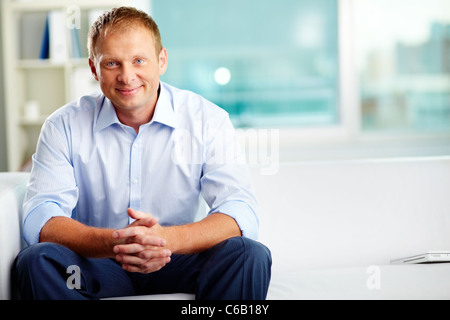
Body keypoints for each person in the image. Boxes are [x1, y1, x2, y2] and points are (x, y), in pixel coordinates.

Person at [13, 7, 271, 300]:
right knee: (38, 260)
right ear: (94, 68)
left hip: (178, 260)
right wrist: (117, 243)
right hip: (98, 263)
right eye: (112, 63)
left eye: (139, 60)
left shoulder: (207, 120)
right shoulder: (63, 126)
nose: (127, 76)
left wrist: (165, 239)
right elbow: (41, 218)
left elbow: (239, 211)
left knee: (249, 254)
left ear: (161, 60)